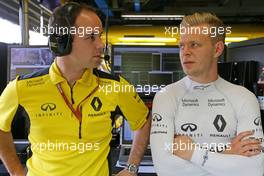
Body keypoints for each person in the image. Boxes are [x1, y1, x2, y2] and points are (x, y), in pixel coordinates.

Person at [0, 2, 151, 176]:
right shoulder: (21, 88)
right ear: (62, 41)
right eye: (91, 37)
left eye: (100, 36)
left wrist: (131, 168)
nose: (101, 45)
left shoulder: (116, 87)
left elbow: (143, 121)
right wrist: (16, 172)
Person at [150, 12, 264, 176]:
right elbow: (165, 169)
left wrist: (192, 153)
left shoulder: (244, 98)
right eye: (181, 46)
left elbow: (254, 169)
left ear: (217, 49)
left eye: (194, 45)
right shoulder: (166, 96)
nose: (185, 52)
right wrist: (228, 154)